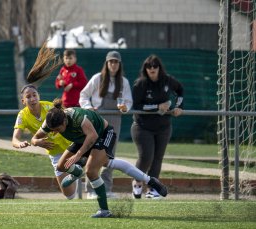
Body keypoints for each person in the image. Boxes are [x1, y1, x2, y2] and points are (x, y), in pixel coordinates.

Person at [32, 99, 168, 218]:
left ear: (65, 120)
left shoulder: (79, 118)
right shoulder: (50, 122)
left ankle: (104, 210)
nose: (54, 132)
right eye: (52, 129)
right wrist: (36, 142)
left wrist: (78, 155)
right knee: (61, 166)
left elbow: (92, 137)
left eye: (57, 129)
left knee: (91, 171)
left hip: (103, 134)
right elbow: (34, 138)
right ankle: (78, 172)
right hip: (82, 138)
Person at [79, 50, 132, 199]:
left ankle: (107, 189)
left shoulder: (124, 82)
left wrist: (124, 108)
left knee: (110, 155)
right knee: (94, 153)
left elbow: (128, 101)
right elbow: (83, 95)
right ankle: (90, 190)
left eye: (116, 62)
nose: (113, 65)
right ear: (106, 63)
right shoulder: (97, 78)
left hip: (115, 120)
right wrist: (88, 108)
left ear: (119, 64)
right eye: (111, 61)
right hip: (97, 119)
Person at [131, 54, 183, 199]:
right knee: (146, 157)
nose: (152, 69)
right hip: (142, 126)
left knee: (158, 158)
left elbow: (180, 90)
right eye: (149, 66)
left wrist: (179, 106)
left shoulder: (168, 80)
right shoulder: (140, 84)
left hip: (164, 126)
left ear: (160, 68)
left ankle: (153, 189)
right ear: (145, 69)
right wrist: (157, 106)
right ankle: (137, 183)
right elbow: (136, 105)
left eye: (155, 66)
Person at [12, 85, 77, 199]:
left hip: (71, 144)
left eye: (34, 95)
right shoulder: (22, 115)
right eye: (28, 97)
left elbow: (68, 120)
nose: (32, 99)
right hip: (54, 152)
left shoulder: (49, 106)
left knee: (98, 165)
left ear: (38, 96)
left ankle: (77, 168)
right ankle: (75, 171)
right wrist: (21, 144)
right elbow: (14, 140)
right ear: (23, 101)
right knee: (69, 195)